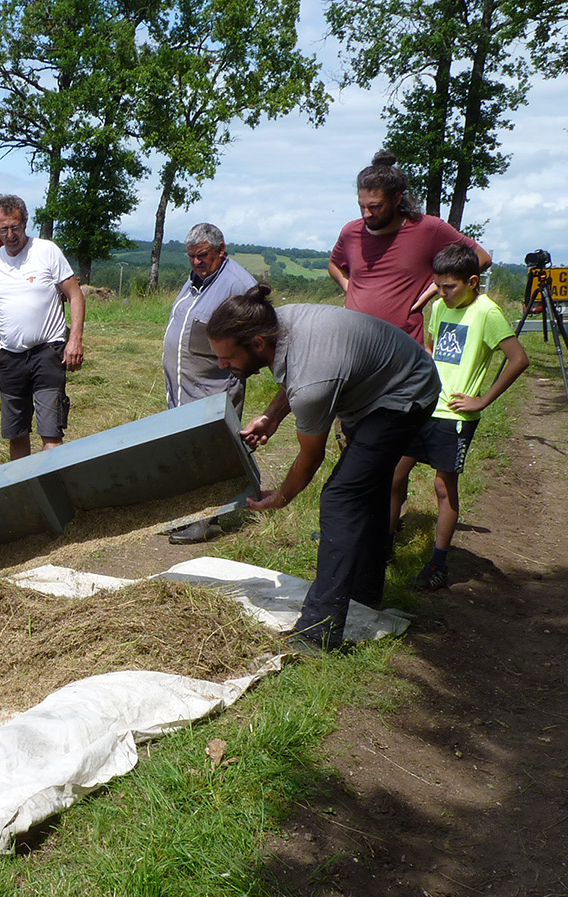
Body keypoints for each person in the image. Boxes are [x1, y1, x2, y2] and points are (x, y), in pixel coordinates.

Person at [206, 285, 441, 651]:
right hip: (376, 382)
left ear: (256, 344)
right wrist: (270, 417)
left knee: (341, 499)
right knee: (367, 488)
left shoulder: (310, 379)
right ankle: (364, 592)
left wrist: (281, 498)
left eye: (226, 357)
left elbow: (309, 456)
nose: (222, 365)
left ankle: (319, 631)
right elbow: (296, 375)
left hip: (406, 392)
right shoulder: (275, 324)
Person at [390, 245, 529, 590]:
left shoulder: (487, 313)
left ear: (472, 282)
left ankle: (438, 563)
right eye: (437, 286)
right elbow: (436, 351)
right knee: (393, 475)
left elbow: (518, 359)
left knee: (442, 486)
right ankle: (385, 546)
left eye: (449, 287)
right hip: (423, 406)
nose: (442, 293)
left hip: (454, 417)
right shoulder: (438, 307)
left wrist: (481, 401)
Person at [0, 194, 86, 460]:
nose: (10, 235)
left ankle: (52, 493)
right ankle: (24, 495)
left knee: (51, 433)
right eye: (3, 229)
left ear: (25, 223)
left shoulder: (46, 252)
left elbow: (75, 295)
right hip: (11, 359)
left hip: (47, 354)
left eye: (15, 227)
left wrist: (75, 340)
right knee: (16, 433)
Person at [329, 151, 491, 344]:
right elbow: (334, 265)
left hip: (402, 346)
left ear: (397, 199)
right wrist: (351, 289)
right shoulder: (350, 232)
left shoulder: (428, 229)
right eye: (362, 206)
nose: (367, 214)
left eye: (375, 206)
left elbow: (481, 258)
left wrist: (435, 289)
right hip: (354, 341)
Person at [162, 223, 258, 544]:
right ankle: (190, 515)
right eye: (191, 256)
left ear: (221, 250)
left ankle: (207, 521)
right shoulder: (197, 280)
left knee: (209, 453)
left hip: (214, 388)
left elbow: (257, 337)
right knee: (187, 452)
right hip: (185, 389)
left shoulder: (238, 284)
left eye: (202, 255)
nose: (196, 262)